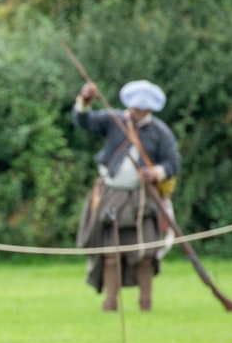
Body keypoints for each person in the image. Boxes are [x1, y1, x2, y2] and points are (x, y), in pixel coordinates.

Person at [74, 79, 181, 311]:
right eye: (136, 106)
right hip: (111, 195)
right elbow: (83, 121)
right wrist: (85, 101)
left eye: (143, 108)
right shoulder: (113, 120)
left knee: (145, 253)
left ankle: (146, 302)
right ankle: (110, 301)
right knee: (111, 253)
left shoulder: (160, 132)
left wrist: (155, 172)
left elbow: (172, 162)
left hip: (142, 199)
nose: (138, 111)